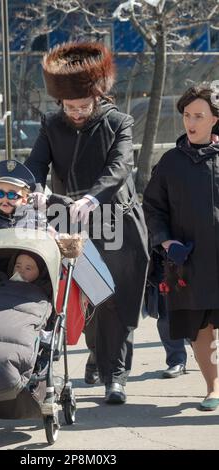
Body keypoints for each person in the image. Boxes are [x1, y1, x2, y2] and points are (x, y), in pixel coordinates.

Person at [25, 41, 149, 404]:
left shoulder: (118, 122)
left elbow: (119, 167)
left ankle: (118, 376)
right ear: (59, 103)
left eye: (83, 106)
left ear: (97, 97)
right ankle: (98, 355)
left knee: (120, 300)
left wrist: (92, 197)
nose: (76, 113)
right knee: (88, 299)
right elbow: (36, 163)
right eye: (69, 107)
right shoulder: (51, 125)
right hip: (70, 221)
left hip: (117, 220)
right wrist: (33, 186)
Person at [143, 83, 219, 411]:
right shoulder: (170, 163)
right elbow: (152, 207)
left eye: (199, 115)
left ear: (215, 119)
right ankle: (213, 388)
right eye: (187, 115)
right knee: (201, 328)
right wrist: (166, 240)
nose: (191, 121)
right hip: (187, 260)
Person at [146, 252, 187, 378]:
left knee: (197, 318)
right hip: (161, 265)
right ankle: (177, 361)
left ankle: (203, 354)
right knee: (166, 318)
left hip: (189, 258)